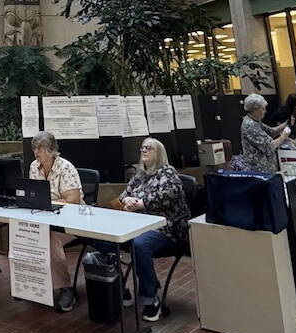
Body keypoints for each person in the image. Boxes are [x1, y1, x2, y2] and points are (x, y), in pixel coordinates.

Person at [98, 138, 191, 322]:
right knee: (103, 239)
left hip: (166, 229)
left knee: (140, 244)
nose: (145, 150)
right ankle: (121, 289)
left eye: (150, 148)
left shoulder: (168, 172)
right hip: (136, 225)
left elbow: (169, 195)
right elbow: (124, 195)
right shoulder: (139, 175)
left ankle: (150, 299)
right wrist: (127, 201)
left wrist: (141, 203)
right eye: (143, 148)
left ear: (160, 153)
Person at [29, 130, 83, 312]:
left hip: (70, 222)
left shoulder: (66, 168)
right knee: (22, 232)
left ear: (51, 150)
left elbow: (73, 200)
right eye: (35, 148)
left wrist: (48, 203)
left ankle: (65, 288)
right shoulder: (33, 167)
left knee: (50, 239)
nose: (37, 152)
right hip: (44, 218)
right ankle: (29, 284)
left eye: (41, 148)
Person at [240, 93, 295, 173]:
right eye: (263, 109)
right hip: (259, 170)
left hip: (267, 169)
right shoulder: (250, 125)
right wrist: (283, 136)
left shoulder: (256, 121)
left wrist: (286, 124)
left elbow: (271, 132)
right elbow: (269, 146)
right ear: (255, 110)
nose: (265, 111)